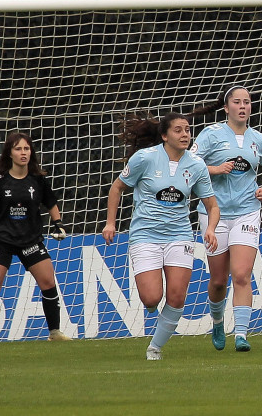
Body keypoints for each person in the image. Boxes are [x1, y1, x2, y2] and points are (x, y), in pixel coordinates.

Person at [102, 111, 220, 361]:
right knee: (151, 298)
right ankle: (155, 312)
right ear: (164, 135)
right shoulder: (144, 158)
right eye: (178, 130)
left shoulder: (197, 164)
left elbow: (212, 205)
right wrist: (110, 223)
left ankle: (154, 348)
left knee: (177, 296)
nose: (185, 134)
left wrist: (210, 229)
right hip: (145, 235)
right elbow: (117, 187)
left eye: (187, 129)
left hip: (179, 236)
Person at [190, 86, 262, 352]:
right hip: (213, 213)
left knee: (241, 274)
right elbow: (188, 164)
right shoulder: (211, 134)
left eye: (247, 102)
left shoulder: (258, 139)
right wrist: (216, 169)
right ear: (226, 108)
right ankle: (217, 322)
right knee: (218, 280)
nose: (243, 106)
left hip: (247, 212)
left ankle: (241, 334)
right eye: (237, 102)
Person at [0, 131, 71, 344]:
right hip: (2, 240)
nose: (23, 153)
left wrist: (58, 224)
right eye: (18, 149)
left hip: (30, 240)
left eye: (26, 148)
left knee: (48, 281)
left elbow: (51, 202)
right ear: (10, 153)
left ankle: (54, 332)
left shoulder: (38, 180)